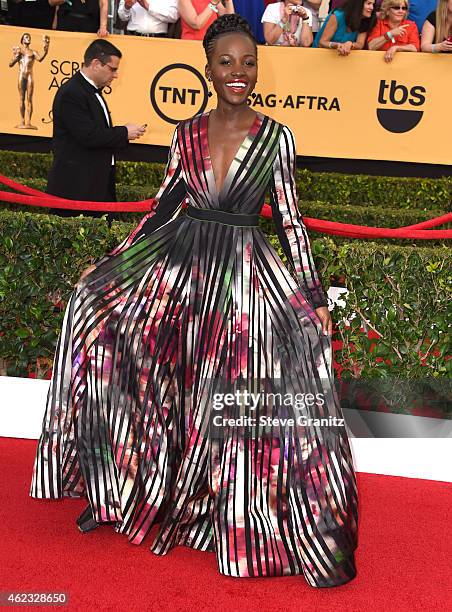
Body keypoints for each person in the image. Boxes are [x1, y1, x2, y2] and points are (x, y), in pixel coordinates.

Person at [31, 15, 358, 587]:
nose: (239, 72)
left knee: (237, 386)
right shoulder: (185, 135)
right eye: (227, 62)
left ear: (259, 69)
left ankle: (232, 511)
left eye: (249, 62)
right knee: (136, 351)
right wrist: (112, 266)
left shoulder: (278, 137)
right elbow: (161, 209)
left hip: (242, 271)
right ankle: (124, 488)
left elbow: (290, 222)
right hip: (184, 263)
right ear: (207, 69)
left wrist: (310, 295)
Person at [46, 40, 146, 214]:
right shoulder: (72, 92)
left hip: (94, 187)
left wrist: (124, 132)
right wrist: (124, 132)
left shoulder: (88, 91)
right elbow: (88, 136)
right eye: (112, 69)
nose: (115, 75)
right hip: (76, 189)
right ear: (95, 64)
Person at [8, 32, 50, 130]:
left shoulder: (33, 52)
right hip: (21, 75)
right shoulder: (19, 51)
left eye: (29, 37)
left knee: (29, 99)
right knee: (22, 98)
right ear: (22, 40)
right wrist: (16, 57)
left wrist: (46, 50)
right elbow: (10, 64)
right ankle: (22, 121)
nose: (28, 39)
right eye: (26, 37)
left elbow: (40, 59)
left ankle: (29, 122)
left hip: (30, 75)